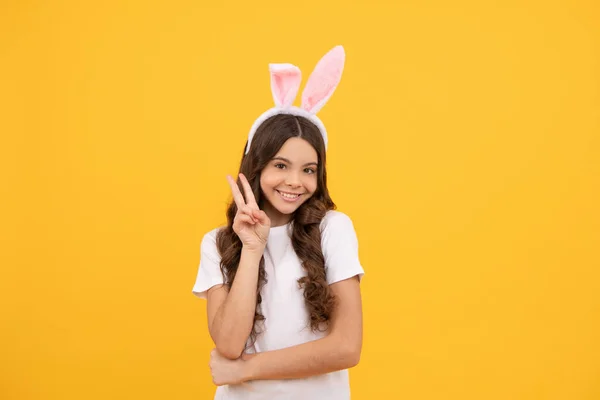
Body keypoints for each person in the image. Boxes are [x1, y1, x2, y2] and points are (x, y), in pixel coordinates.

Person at [192, 45, 364, 399]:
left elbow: (347, 347)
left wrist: (247, 369)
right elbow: (228, 343)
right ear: (257, 166)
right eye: (281, 166)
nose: (294, 182)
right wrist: (253, 249)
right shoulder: (217, 242)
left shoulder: (333, 228)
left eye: (309, 170)